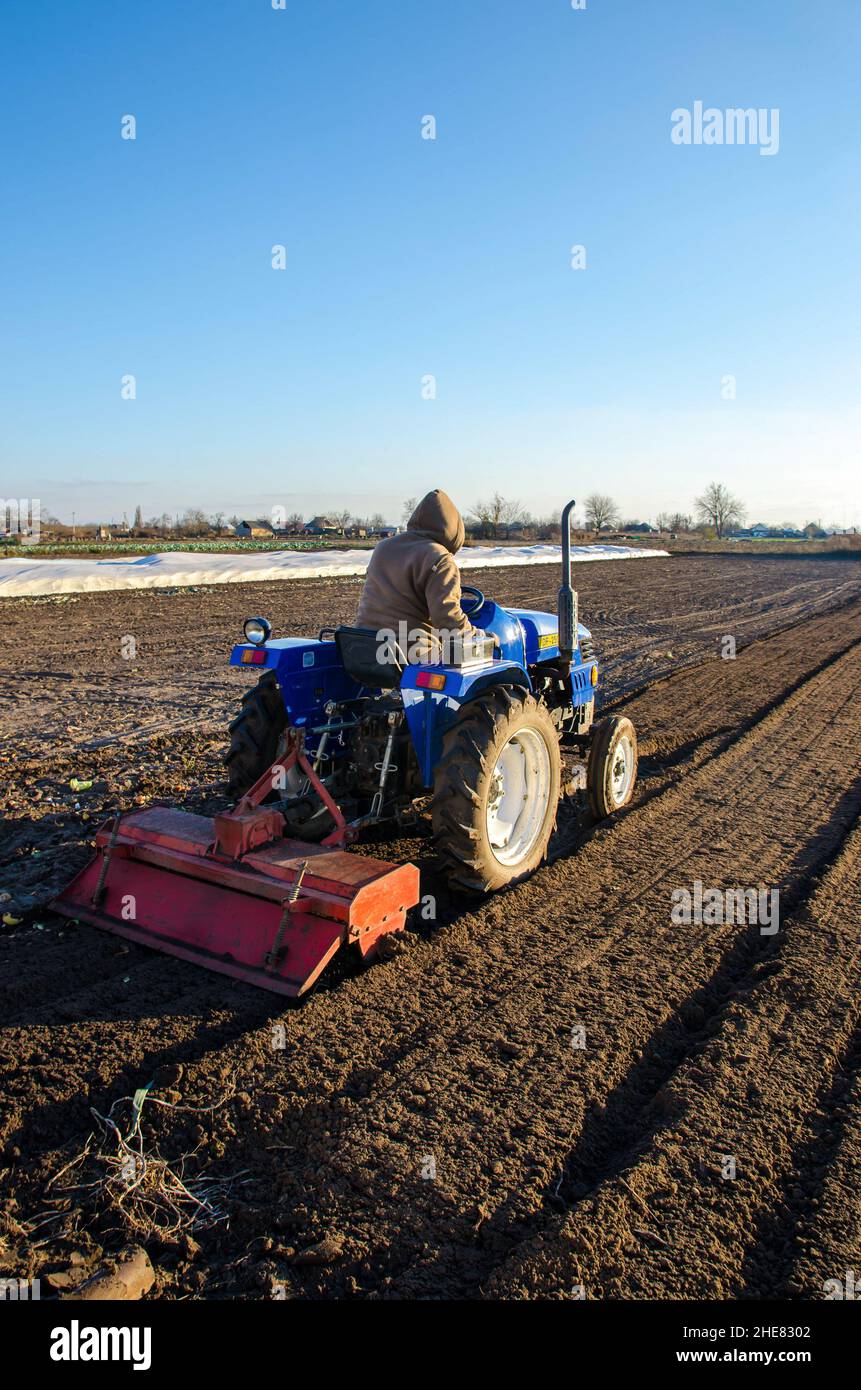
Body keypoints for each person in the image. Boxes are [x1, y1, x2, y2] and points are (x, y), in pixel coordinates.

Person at [356, 489, 481, 663]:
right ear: (454, 529)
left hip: (364, 646)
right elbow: (447, 618)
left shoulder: (383, 547)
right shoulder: (439, 557)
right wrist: (477, 636)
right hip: (410, 652)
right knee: (482, 656)